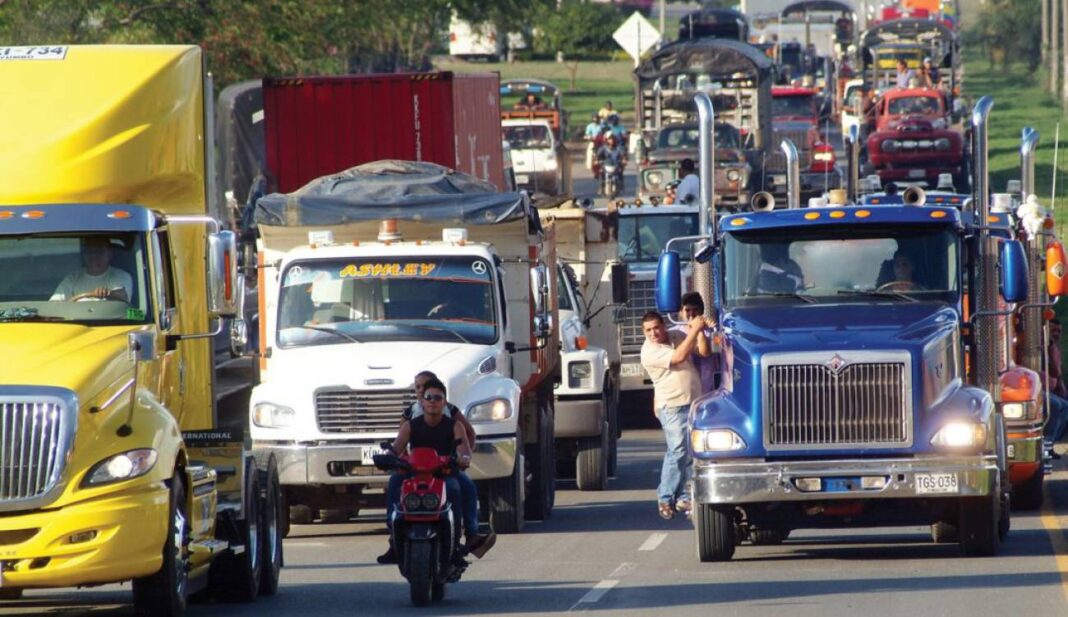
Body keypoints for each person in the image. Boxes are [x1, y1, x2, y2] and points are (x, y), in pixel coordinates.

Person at [379, 378, 495, 562]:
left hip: (445, 474)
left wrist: (463, 458)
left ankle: (463, 539)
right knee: (394, 481)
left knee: (462, 487)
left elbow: (464, 450)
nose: (433, 401)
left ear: (444, 402)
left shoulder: (455, 426)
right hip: (415, 474)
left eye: (437, 398)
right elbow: (397, 447)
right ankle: (394, 539)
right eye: (429, 397)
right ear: (422, 401)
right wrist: (388, 456)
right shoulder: (410, 425)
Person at [640, 310, 710, 520]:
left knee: (691, 452)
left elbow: (704, 352)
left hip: (693, 403)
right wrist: (694, 329)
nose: (653, 333)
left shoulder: (676, 337)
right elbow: (679, 357)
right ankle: (665, 495)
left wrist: (698, 331)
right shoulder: (649, 351)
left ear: (663, 326)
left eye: (656, 328)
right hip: (672, 406)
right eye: (648, 330)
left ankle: (683, 496)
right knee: (678, 449)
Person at [50, 236, 132, 302]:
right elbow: (55, 304)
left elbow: (123, 297)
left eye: (99, 251)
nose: (94, 256)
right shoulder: (73, 278)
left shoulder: (121, 276)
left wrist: (108, 294)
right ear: (84, 255)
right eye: (90, 251)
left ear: (110, 254)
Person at [674, 292, 720, 393]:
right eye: (687, 310)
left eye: (695, 310)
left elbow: (717, 351)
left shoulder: (713, 331)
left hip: (709, 389)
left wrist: (715, 331)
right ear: (681, 312)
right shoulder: (674, 333)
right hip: (686, 391)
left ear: (701, 312)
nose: (691, 314)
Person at [1045, 319, 1068, 455]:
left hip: (1052, 390)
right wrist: (1050, 347)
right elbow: (1054, 370)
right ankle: (1047, 443)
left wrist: (1062, 386)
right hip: (1041, 391)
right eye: (1053, 330)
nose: (1057, 334)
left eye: (1059, 331)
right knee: (1055, 405)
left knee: (1065, 406)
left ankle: (1051, 441)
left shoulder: (1055, 348)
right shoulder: (1044, 348)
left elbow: (1058, 375)